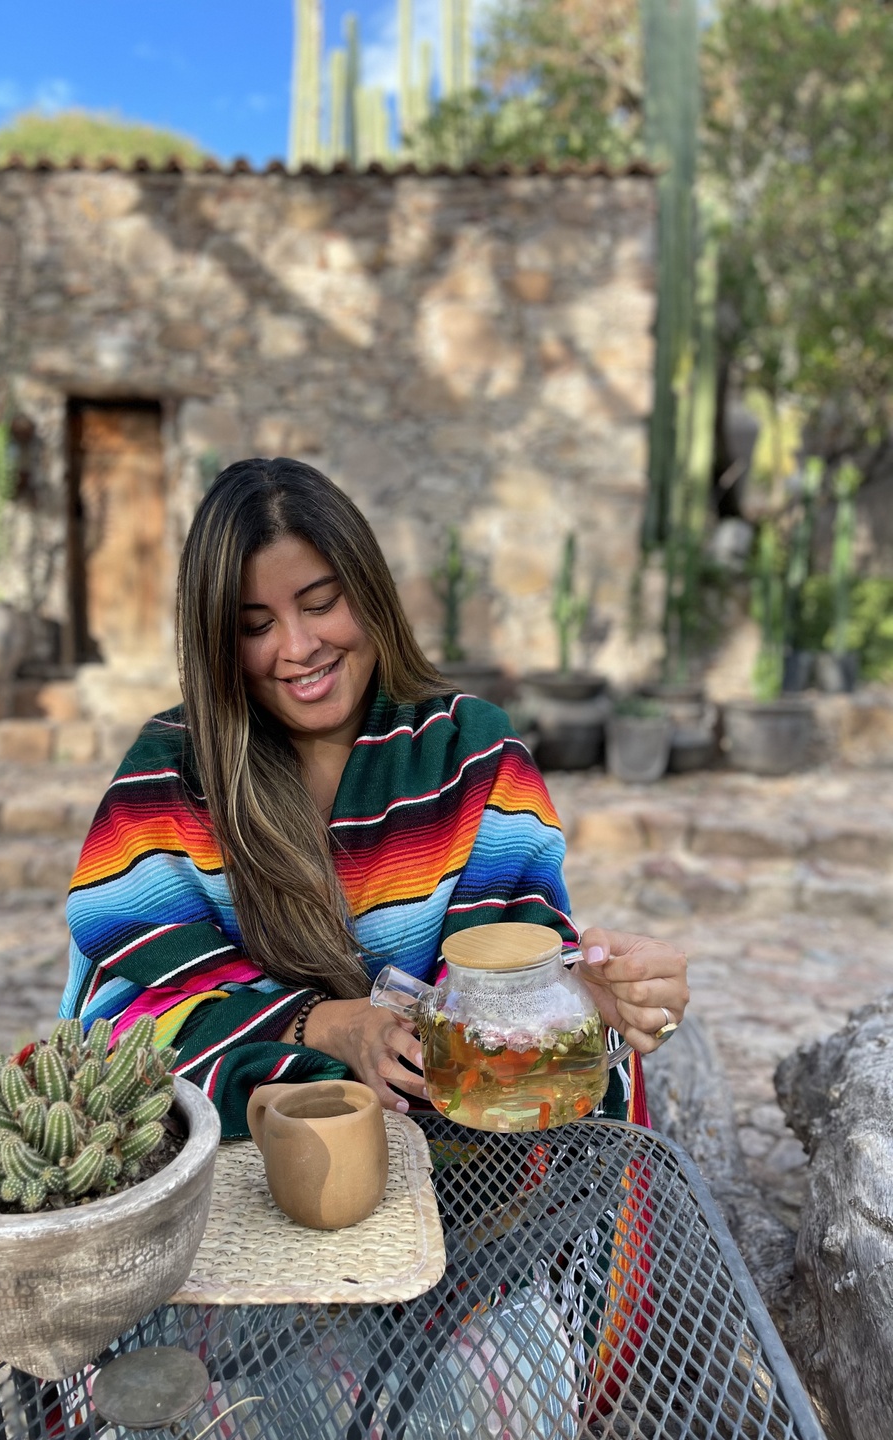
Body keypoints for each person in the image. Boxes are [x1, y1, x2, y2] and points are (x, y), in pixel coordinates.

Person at [59, 457, 689, 1137]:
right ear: (218, 641)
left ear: (368, 589)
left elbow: (511, 973)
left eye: (321, 604)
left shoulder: (469, 752)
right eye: (255, 626)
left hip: (465, 1155)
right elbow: (132, 1022)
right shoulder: (170, 778)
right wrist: (329, 1026)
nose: (298, 647)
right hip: (236, 1155)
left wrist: (593, 998)